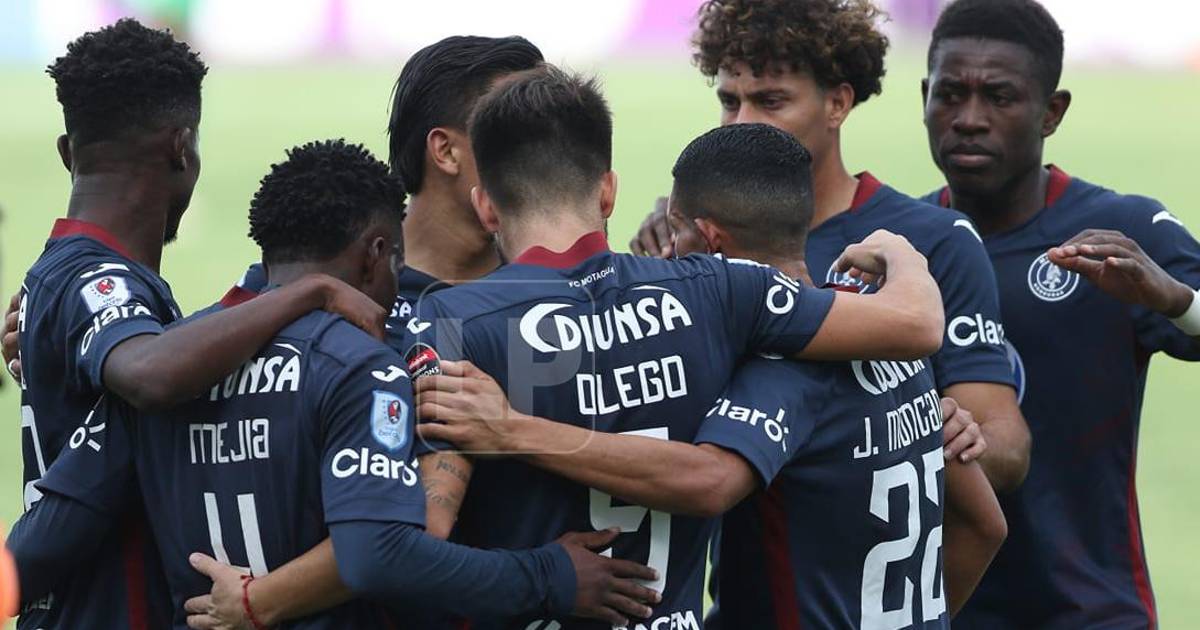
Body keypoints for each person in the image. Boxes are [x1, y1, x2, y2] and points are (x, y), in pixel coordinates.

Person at [22, 139, 661, 629]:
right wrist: (548, 576)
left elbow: (50, 532)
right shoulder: (363, 365)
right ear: (375, 254)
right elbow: (377, 552)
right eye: (398, 262)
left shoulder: (172, 363)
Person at [402, 65, 945, 629]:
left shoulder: (449, 320)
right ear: (608, 192)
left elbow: (419, 544)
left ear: (486, 206)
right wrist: (901, 252)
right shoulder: (720, 289)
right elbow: (916, 325)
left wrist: (542, 574)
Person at [6, 19, 383, 630]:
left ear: (67, 153)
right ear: (182, 148)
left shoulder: (64, 277)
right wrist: (308, 291)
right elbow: (151, 374)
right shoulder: (95, 279)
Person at [628, 0, 1029, 494]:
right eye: (730, 101)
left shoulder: (931, 240)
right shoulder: (698, 239)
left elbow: (1007, 448)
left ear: (837, 104)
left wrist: (955, 444)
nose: (741, 123)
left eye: (771, 101)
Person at [919, 0, 1200, 627]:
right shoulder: (899, 244)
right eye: (950, 94)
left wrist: (1174, 299)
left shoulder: (1120, 230)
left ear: (1052, 112)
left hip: (1090, 610)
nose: (969, 119)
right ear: (923, 98)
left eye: (999, 97)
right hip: (941, 610)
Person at [221, 35, 544, 328]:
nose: (554, 154)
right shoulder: (310, 276)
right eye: (525, 135)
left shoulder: (550, 290)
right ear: (446, 151)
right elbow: (192, 361)